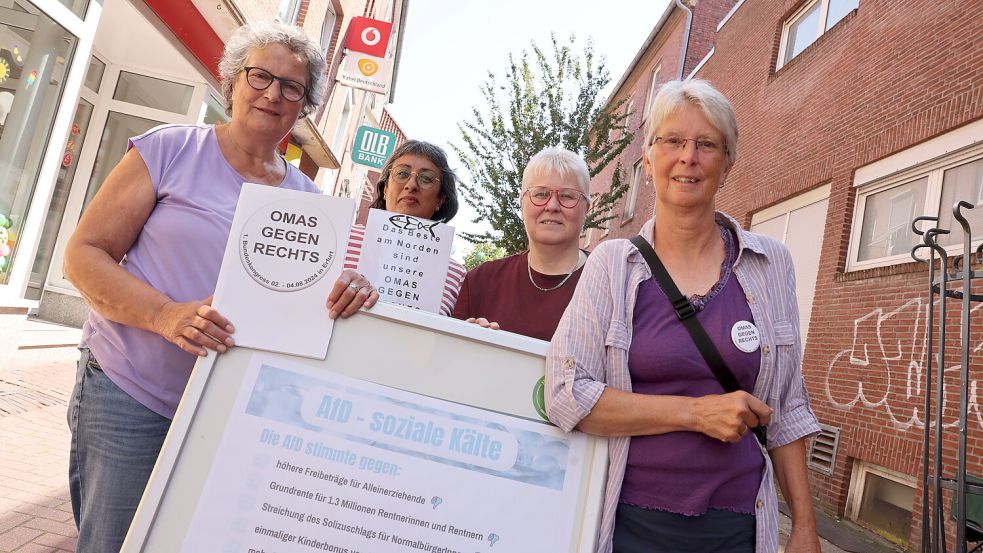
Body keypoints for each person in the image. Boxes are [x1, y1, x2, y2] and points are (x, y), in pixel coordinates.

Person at [63, 22, 375, 553]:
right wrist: (165, 314)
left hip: (232, 415)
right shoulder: (171, 150)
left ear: (305, 106)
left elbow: (305, 309)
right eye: (260, 76)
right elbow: (82, 255)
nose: (273, 94)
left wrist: (351, 290)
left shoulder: (312, 203)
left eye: (292, 87)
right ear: (232, 80)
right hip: (131, 396)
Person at [545, 79, 821, 553]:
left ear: (727, 163)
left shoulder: (770, 263)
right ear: (649, 160)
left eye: (706, 144)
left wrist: (804, 527)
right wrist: (695, 413)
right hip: (630, 523)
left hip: (736, 527)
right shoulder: (612, 264)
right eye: (672, 140)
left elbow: (788, 409)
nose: (688, 156)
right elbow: (566, 395)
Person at [452, 147, 589, 340]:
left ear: (587, 207)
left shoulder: (609, 287)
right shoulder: (481, 281)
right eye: (540, 194)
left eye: (567, 196)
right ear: (522, 203)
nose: (552, 206)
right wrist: (463, 340)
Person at [345, 139, 466, 316]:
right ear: (385, 189)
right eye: (402, 174)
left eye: (426, 178)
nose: (411, 185)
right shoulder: (342, 237)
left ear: (441, 199)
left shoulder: (457, 275)